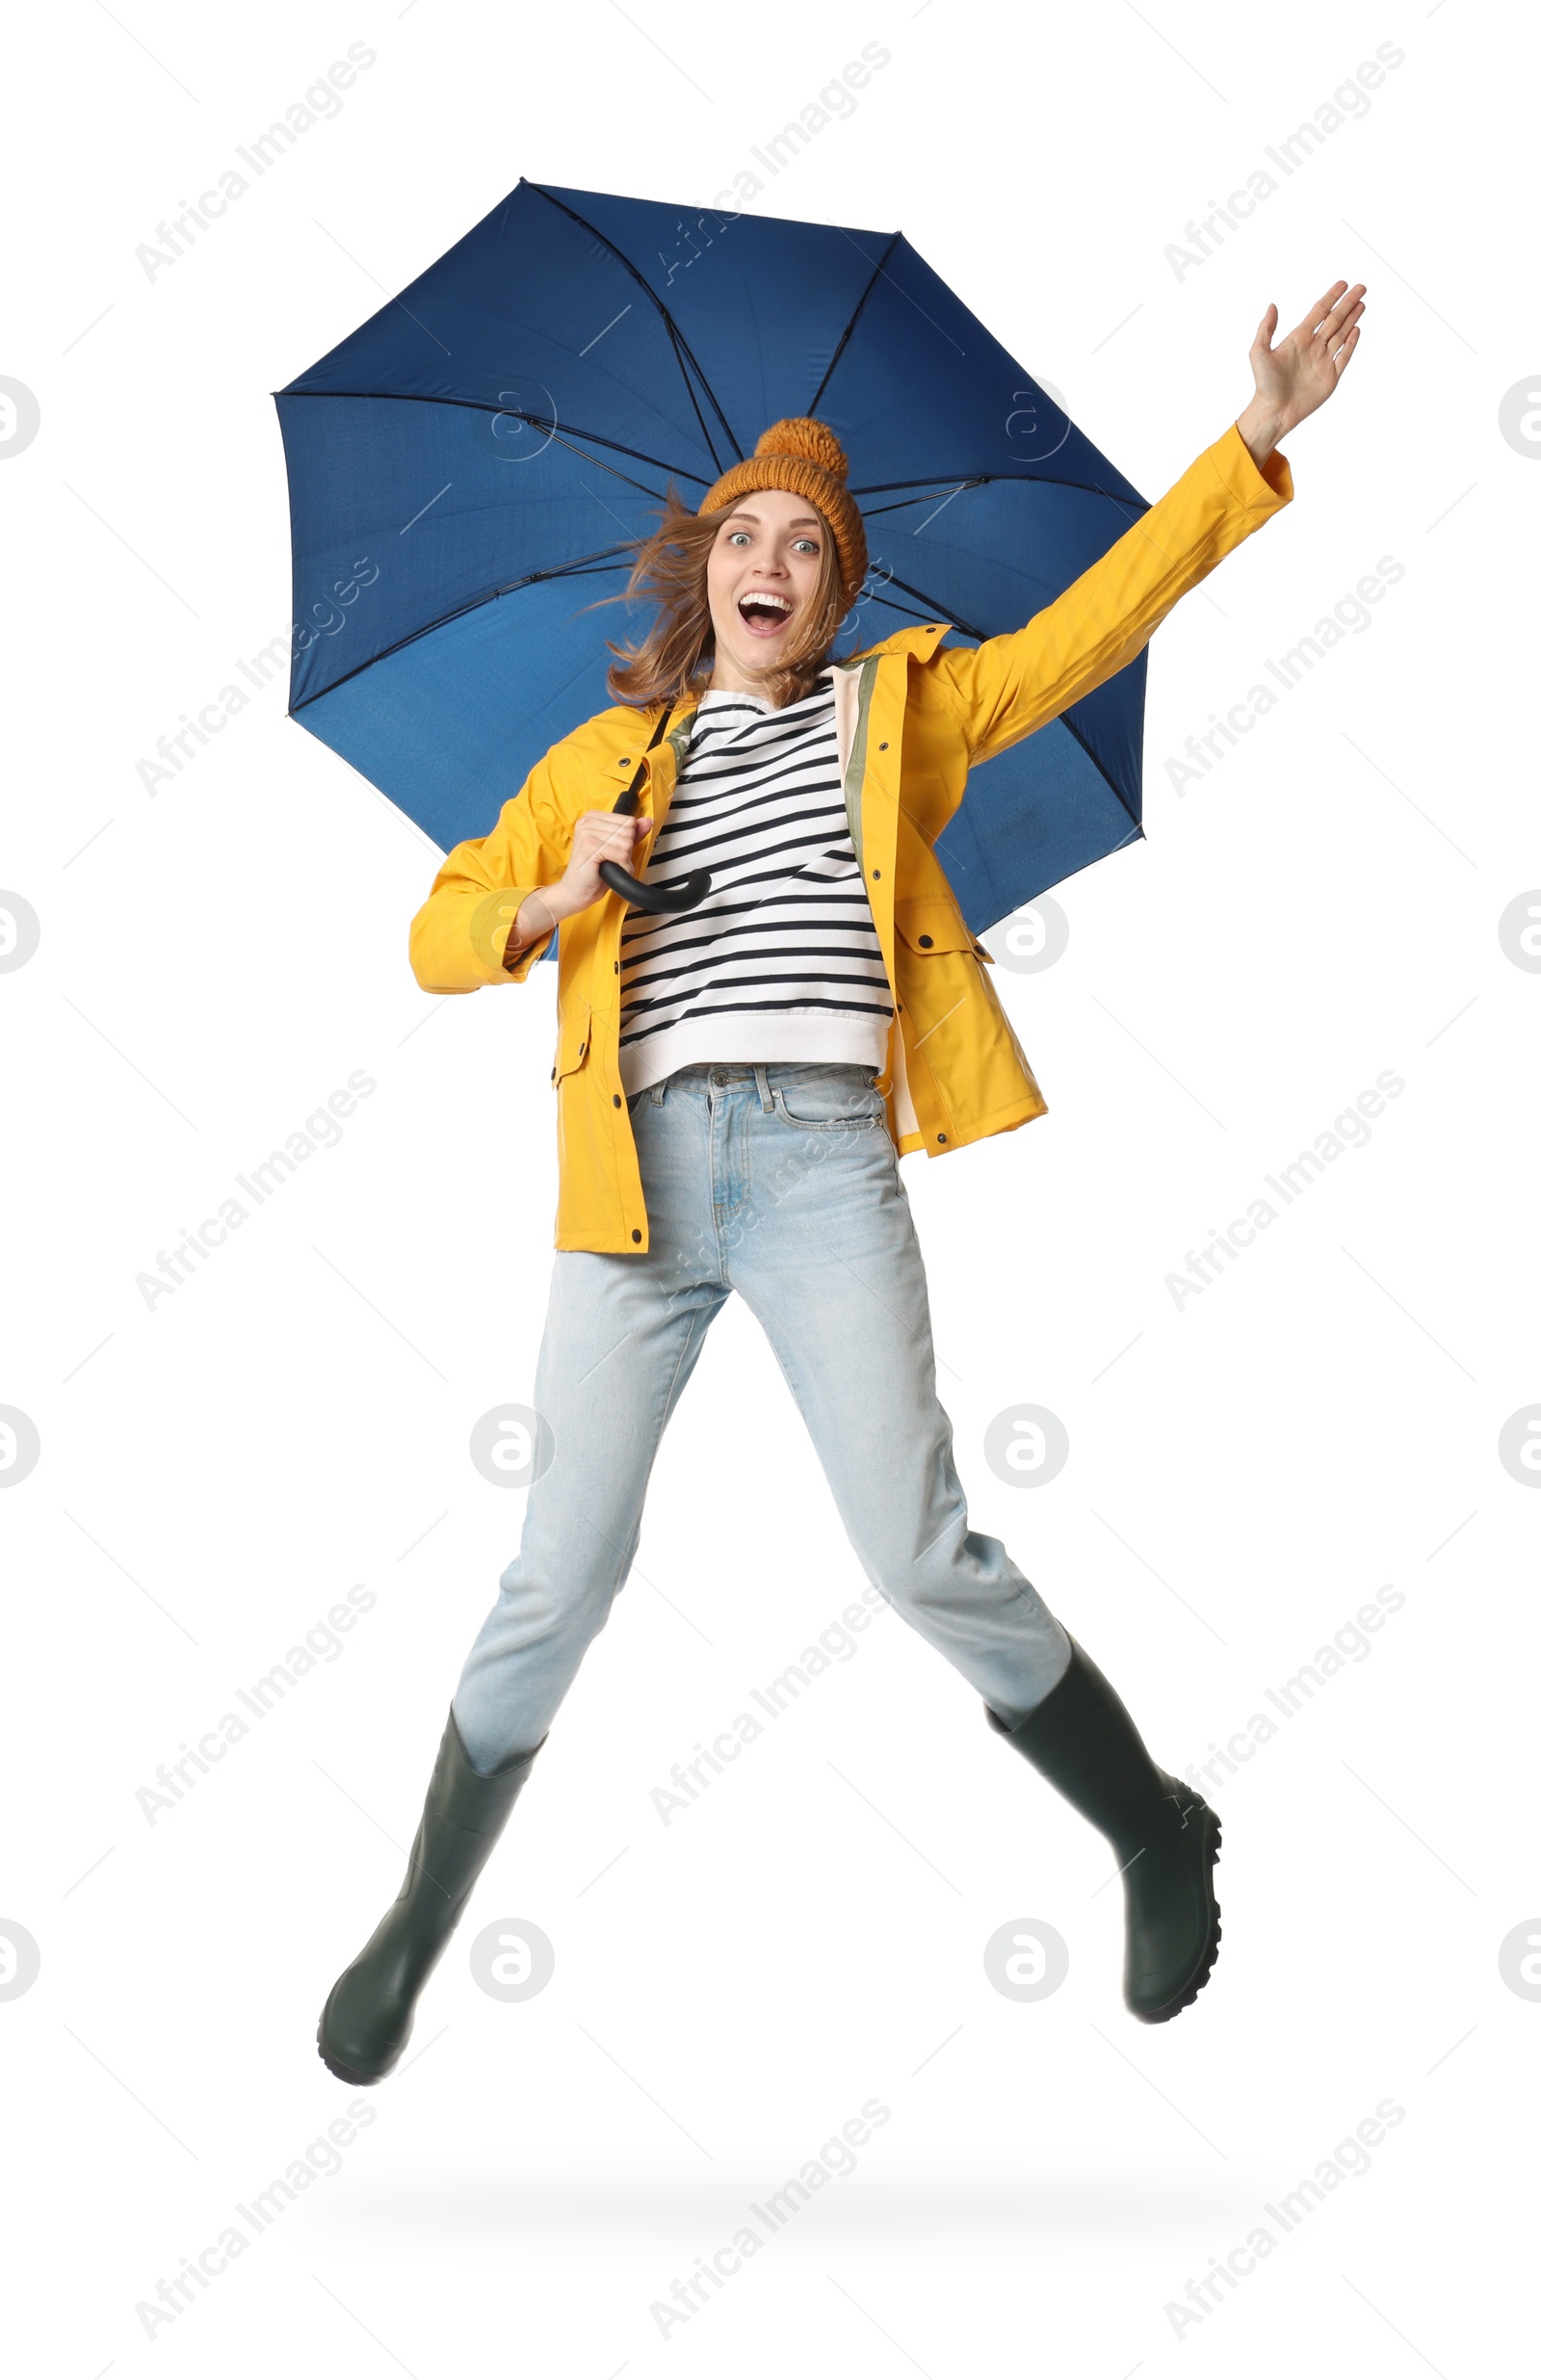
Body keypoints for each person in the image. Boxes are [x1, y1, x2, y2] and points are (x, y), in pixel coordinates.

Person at [318, 280, 1366, 2084]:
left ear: (836, 589)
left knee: (915, 1549)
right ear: (704, 568)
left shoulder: (904, 717)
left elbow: (1091, 631)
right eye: (747, 532)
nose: (773, 560)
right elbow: (429, 933)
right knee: (558, 1569)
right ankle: (418, 1913)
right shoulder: (597, 765)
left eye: (809, 544)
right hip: (634, 1195)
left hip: (817, 1172)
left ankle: (1147, 1823)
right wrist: (551, 899)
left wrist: (1251, 442)